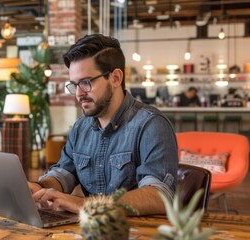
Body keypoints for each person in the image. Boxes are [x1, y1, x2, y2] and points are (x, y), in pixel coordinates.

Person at [27, 34, 178, 216]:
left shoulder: (150, 125)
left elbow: (159, 196)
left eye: (86, 82)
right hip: (90, 230)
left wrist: (87, 205)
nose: (79, 94)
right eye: (74, 85)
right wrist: (39, 187)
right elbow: (63, 173)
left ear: (115, 78)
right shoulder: (80, 128)